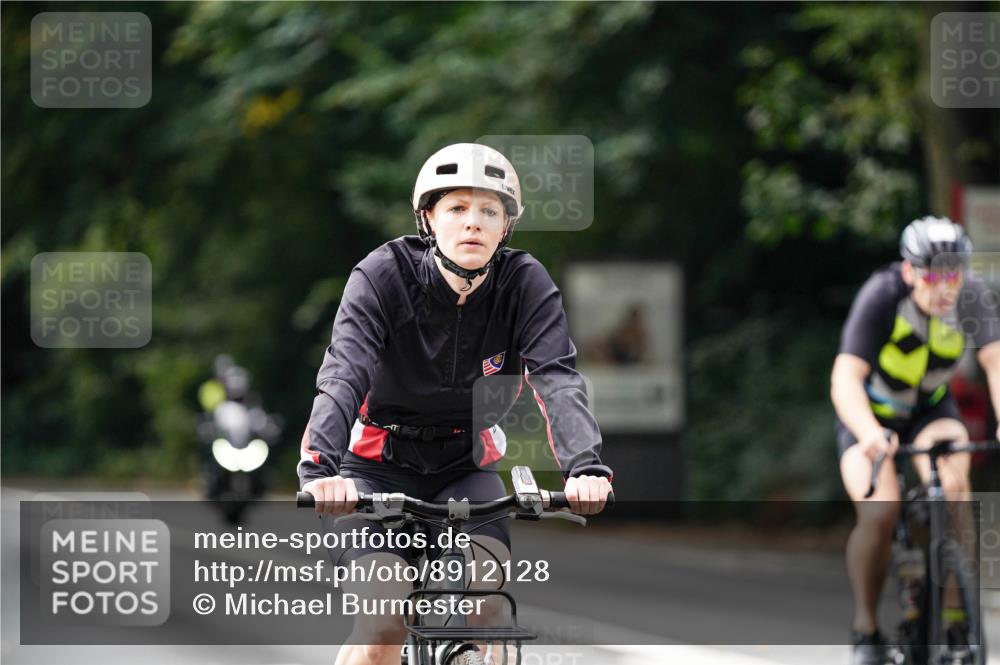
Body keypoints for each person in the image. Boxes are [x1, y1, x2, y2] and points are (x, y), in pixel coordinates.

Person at [298, 143, 614, 665]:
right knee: (382, 622)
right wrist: (320, 472)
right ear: (428, 218)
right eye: (457, 209)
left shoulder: (524, 283)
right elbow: (344, 375)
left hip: (466, 466)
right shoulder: (382, 276)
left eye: (489, 210)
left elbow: (556, 376)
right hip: (374, 469)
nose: (474, 223)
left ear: (505, 226)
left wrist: (585, 467)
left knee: (489, 607)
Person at [830, 216, 1000, 665]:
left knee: (956, 488)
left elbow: (997, 363)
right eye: (934, 275)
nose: (946, 287)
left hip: (930, 411)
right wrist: (868, 433)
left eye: (954, 273)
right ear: (910, 271)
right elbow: (845, 377)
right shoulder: (883, 294)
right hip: (872, 417)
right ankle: (866, 629)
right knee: (880, 511)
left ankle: (956, 615)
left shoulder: (973, 296)